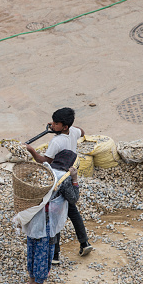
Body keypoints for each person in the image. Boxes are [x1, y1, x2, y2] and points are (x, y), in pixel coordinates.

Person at [25, 107, 92, 263]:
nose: (53, 125)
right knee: (71, 211)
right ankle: (84, 242)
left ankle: (55, 255)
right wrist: (59, 128)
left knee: (54, 212)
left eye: (56, 123)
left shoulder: (56, 141)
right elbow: (82, 132)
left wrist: (31, 150)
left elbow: (44, 161)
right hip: (69, 175)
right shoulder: (73, 131)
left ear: (64, 126)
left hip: (57, 179)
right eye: (53, 122)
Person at [13, 150, 80, 284]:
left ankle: (32, 278)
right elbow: (73, 198)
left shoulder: (44, 171)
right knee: (44, 250)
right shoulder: (64, 178)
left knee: (32, 246)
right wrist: (74, 178)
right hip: (47, 220)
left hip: (32, 217)